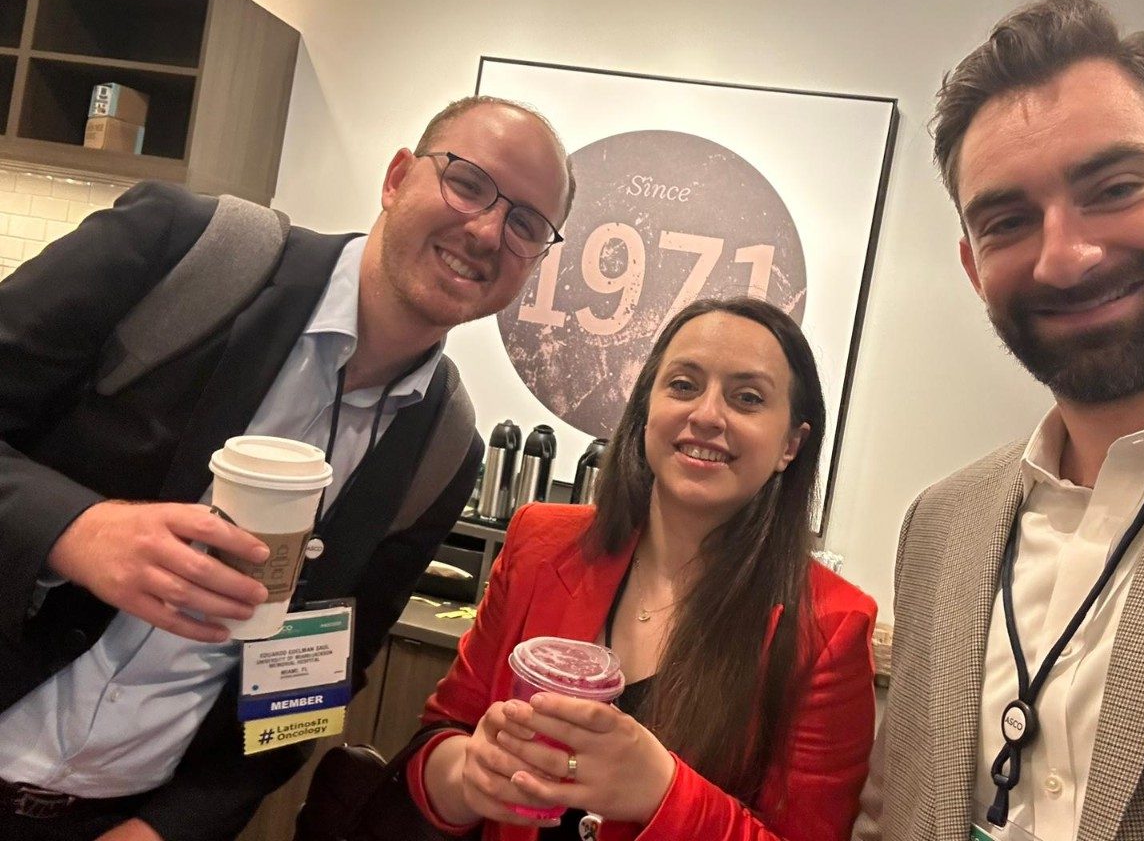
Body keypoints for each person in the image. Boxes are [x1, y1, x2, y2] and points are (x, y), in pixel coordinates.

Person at [0, 95, 575, 841]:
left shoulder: (442, 450)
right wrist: (74, 531)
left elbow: (317, 679)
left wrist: (171, 826)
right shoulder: (185, 248)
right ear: (397, 178)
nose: (488, 231)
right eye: (468, 183)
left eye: (526, 224)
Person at [854, 0, 1144, 841]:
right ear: (973, 267)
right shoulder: (941, 525)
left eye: (1114, 189)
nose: (1065, 256)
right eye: (1008, 222)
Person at [402, 297, 877, 841]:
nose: (706, 415)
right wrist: (469, 776)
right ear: (647, 407)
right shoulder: (540, 544)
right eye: (683, 385)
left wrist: (661, 790)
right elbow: (441, 736)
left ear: (791, 444)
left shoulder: (831, 626)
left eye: (747, 398)